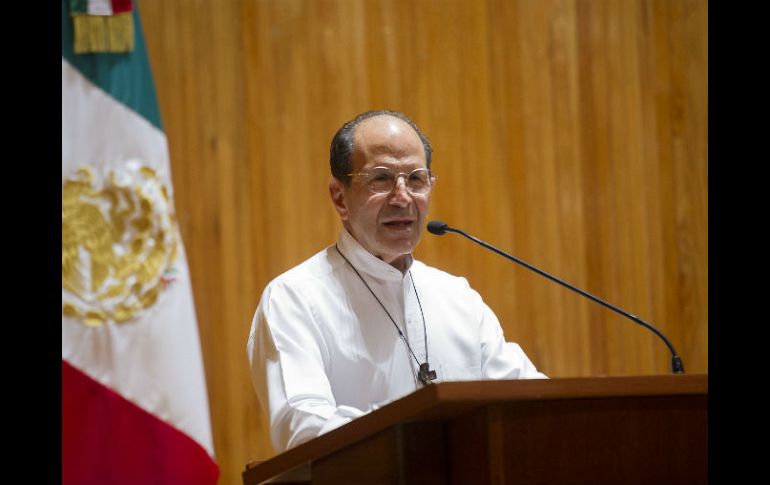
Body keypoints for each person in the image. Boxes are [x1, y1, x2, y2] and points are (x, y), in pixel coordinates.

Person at [247, 110, 546, 453]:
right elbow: (303, 428)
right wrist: (421, 438)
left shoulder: (457, 298)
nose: (403, 197)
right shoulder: (294, 298)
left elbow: (528, 402)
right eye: (381, 178)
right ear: (340, 198)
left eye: (416, 179)